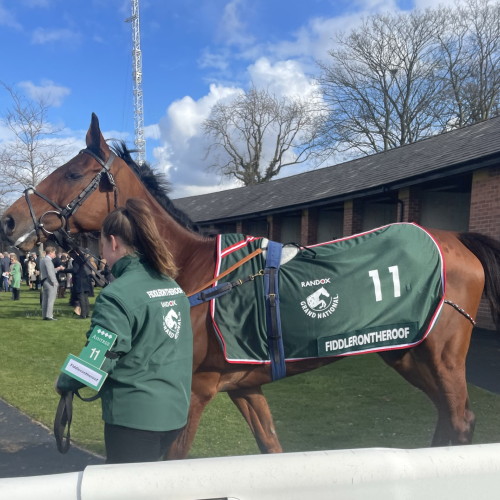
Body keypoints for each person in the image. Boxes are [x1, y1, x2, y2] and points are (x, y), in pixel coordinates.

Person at [56, 198, 193, 464]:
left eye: (102, 243)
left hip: (135, 418)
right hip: (175, 413)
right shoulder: (171, 285)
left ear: (113, 242)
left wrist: (64, 381)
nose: (102, 250)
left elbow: (96, 361)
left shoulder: (116, 295)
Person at [65, 251, 92, 319]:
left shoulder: (76, 261)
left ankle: (83, 315)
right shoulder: (81, 259)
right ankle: (87, 313)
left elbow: (75, 270)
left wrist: (64, 270)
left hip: (79, 281)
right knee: (85, 298)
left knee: (81, 298)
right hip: (84, 280)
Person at [40, 246, 62, 320]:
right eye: (54, 253)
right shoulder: (48, 260)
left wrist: (57, 269)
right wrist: (54, 282)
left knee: (45, 299)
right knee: (51, 299)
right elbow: (50, 273)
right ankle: (49, 315)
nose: (54, 254)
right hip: (49, 281)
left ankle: (45, 315)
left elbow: (50, 270)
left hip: (44, 280)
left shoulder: (43, 260)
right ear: (50, 252)